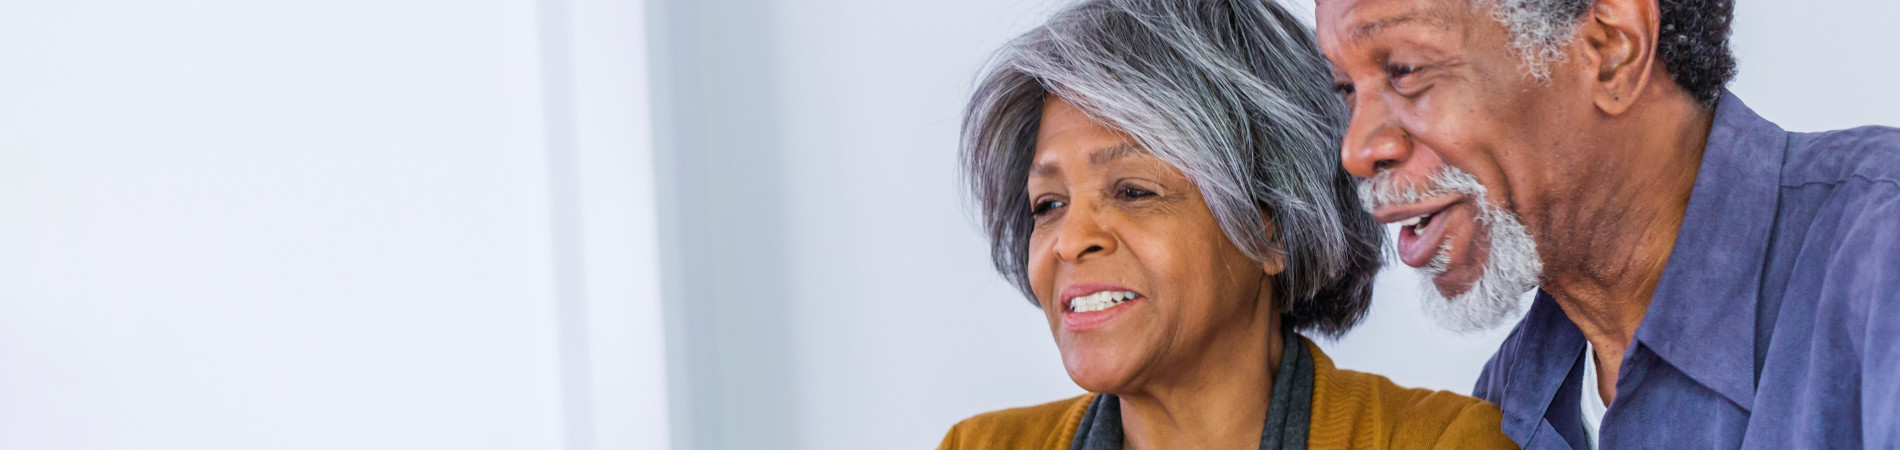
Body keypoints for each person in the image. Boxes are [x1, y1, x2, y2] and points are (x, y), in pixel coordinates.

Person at [1314, 0, 1900, 447]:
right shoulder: (1507, 401)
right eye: (1346, 89)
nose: (1357, 151)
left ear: (1611, 49)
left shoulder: (1880, 252)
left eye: (1406, 70)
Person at [940, 0, 1518, 448]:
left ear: (1272, 227)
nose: (1070, 240)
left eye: (1133, 191)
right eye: (1048, 205)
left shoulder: (1440, 442)